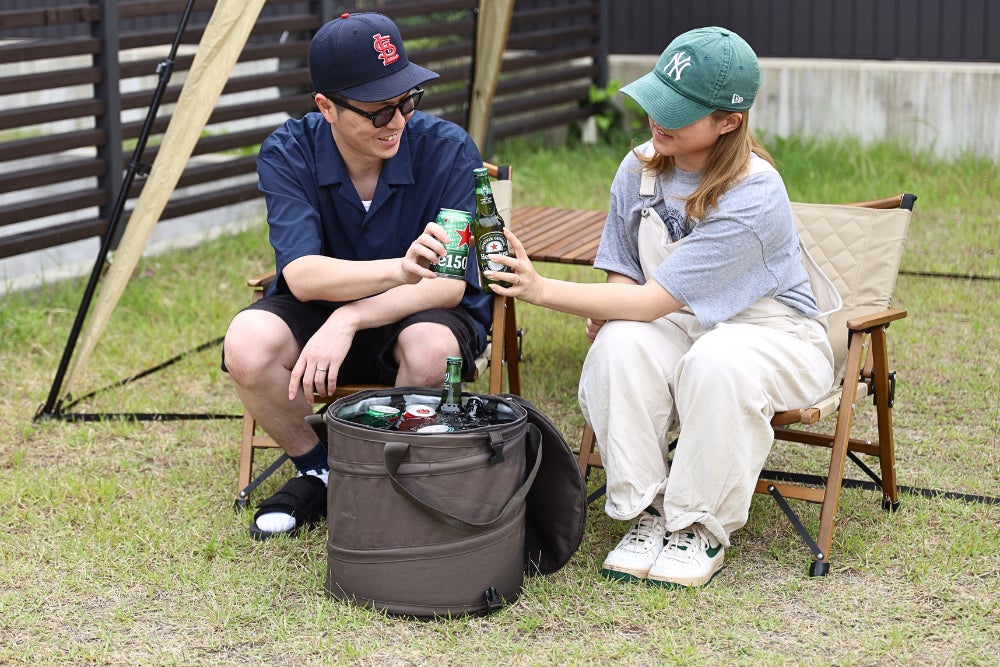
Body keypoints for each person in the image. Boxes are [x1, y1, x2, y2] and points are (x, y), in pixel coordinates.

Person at [484, 27, 841, 588]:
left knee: (718, 361)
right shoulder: (640, 167)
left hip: (775, 336)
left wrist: (539, 287)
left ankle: (699, 526)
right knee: (618, 347)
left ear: (730, 121)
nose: (657, 118)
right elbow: (625, 267)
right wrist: (607, 307)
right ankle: (649, 508)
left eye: (678, 111)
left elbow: (650, 300)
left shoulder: (754, 193)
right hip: (680, 320)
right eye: (657, 100)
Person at [223, 12, 490, 540]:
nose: (397, 120)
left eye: (407, 100)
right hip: (317, 307)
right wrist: (397, 269)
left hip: (419, 311)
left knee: (433, 350)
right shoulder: (288, 151)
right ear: (326, 107)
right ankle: (319, 467)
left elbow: (449, 283)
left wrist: (349, 317)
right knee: (246, 344)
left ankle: (388, 475)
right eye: (378, 110)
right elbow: (301, 275)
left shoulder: (450, 148)